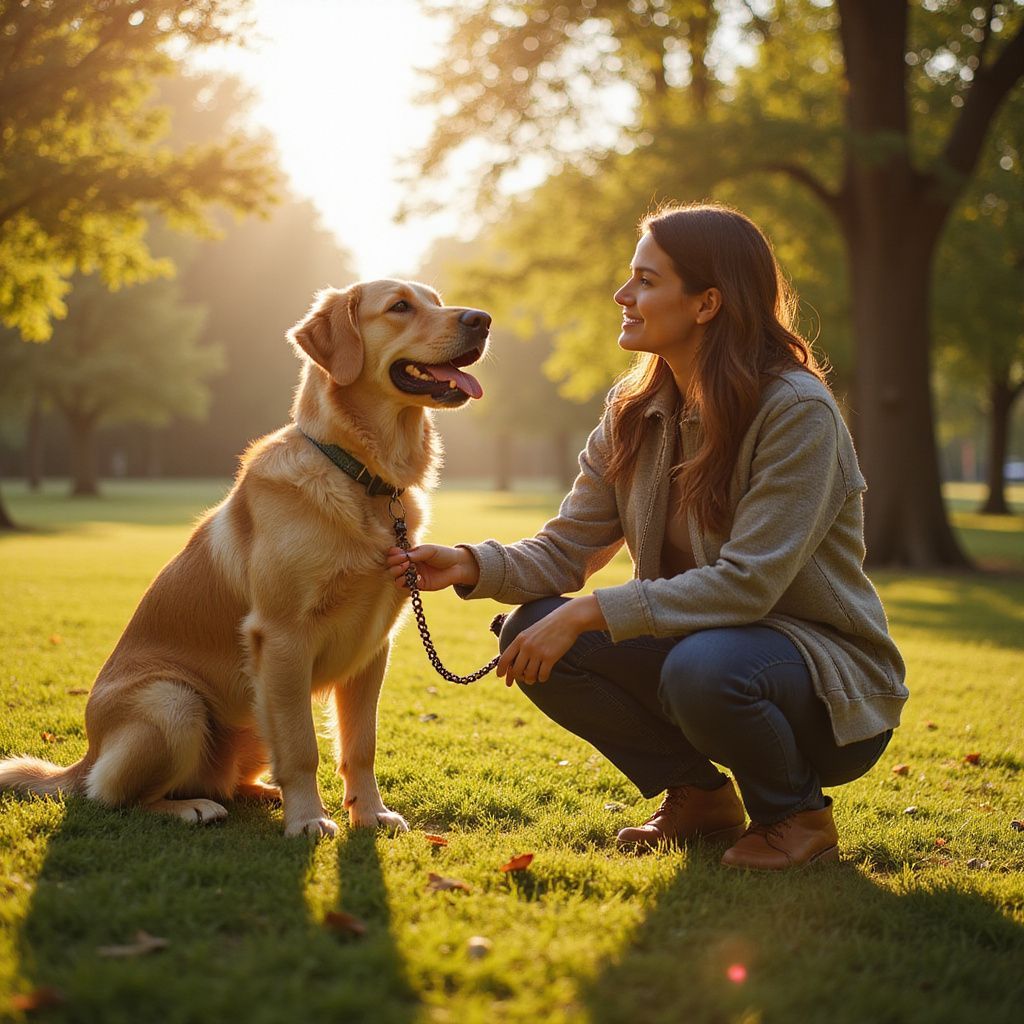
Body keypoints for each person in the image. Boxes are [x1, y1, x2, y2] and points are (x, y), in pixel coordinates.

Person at [386, 201, 907, 871]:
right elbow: (569, 549)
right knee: (531, 633)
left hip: (822, 683)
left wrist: (591, 611)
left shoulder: (796, 411)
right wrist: (465, 564)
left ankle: (796, 816)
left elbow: (749, 585)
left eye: (646, 280)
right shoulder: (634, 411)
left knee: (699, 665)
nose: (622, 295)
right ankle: (699, 797)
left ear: (706, 303)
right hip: (707, 655)